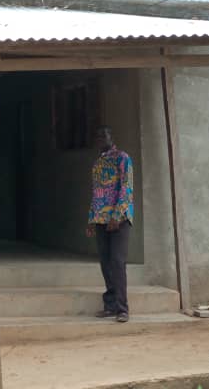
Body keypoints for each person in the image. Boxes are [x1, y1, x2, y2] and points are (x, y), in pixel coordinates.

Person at [84, 126, 135, 323]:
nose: (100, 139)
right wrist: (91, 218)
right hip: (101, 219)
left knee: (117, 262)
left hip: (119, 219)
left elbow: (126, 187)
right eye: (97, 136)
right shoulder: (98, 163)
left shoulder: (122, 158)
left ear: (111, 137)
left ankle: (122, 308)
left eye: (103, 135)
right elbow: (96, 192)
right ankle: (110, 305)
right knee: (105, 263)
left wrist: (117, 215)